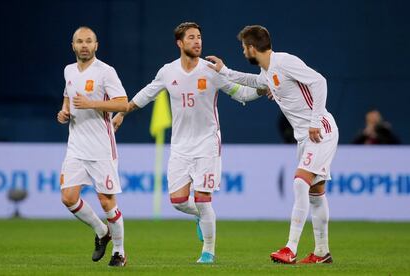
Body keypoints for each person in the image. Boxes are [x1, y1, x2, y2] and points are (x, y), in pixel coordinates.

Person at [112, 22, 266, 264]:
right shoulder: (168, 72)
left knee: (203, 198)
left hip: (207, 143)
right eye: (192, 37)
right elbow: (146, 94)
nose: (197, 42)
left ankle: (208, 251)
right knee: (178, 201)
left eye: (199, 37)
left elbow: (241, 94)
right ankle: (200, 217)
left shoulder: (212, 70)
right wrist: (122, 112)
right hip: (180, 146)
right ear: (180, 43)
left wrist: (260, 89)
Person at [206, 25, 338, 264]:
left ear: (251, 48)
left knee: (300, 182)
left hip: (321, 131)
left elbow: (319, 82)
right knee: (315, 194)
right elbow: (255, 81)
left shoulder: (284, 61)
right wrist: (224, 71)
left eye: (243, 48)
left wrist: (316, 120)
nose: (243, 52)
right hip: (305, 137)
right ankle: (322, 252)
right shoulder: (268, 72)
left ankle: (290, 248)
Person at [57, 26, 128, 267]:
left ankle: (119, 252)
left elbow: (123, 104)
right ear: (73, 45)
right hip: (76, 146)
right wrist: (64, 111)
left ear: (96, 45)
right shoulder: (68, 70)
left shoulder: (105, 72)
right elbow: (68, 94)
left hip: (101, 149)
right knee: (68, 198)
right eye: (80, 41)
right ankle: (102, 232)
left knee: (107, 202)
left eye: (89, 41)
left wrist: (91, 104)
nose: (84, 45)